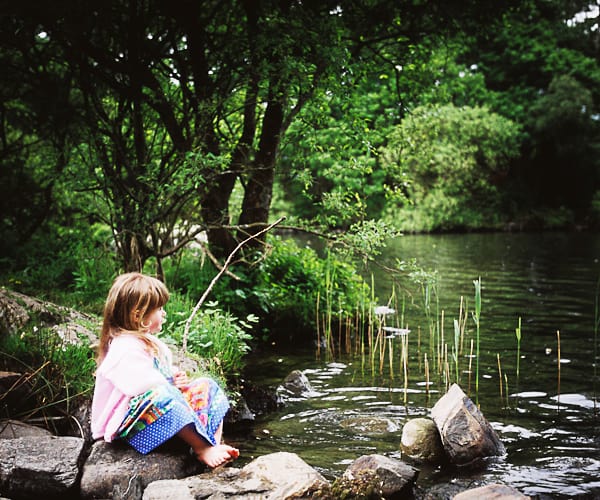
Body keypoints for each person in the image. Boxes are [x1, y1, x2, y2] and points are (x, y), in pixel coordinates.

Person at [91, 272, 239, 468]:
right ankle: (202, 448)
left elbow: (160, 372)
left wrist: (175, 378)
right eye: (159, 308)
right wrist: (169, 384)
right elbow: (139, 384)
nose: (164, 313)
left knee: (206, 386)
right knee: (163, 395)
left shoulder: (147, 342)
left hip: (154, 413)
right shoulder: (123, 347)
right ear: (139, 316)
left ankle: (211, 443)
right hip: (128, 425)